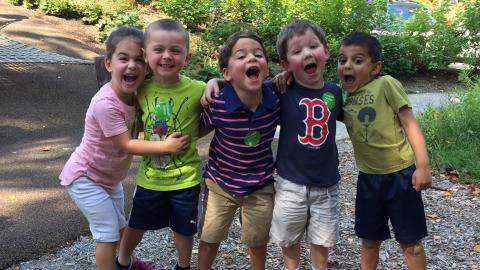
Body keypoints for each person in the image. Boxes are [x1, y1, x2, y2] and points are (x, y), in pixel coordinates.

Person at [59, 26, 191, 270]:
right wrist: (165, 146)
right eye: (123, 58)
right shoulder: (105, 104)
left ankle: (128, 263)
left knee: (121, 227)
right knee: (106, 233)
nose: (132, 65)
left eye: (139, 60)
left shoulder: (138, 94)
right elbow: (126, 144)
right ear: (108, 63)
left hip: (110, 179)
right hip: (85, 177)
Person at [115, 19, 206, 270]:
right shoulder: (139, 89)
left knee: (184, 228)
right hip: (149, 178)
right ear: (146, 54)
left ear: (186, 57)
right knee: (137, 223)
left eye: (175, 50)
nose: (167, 56)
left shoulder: (199, 89)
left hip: (186, 179)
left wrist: (215, 83)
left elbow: (217, 107)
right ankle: (123, 262)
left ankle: (184, 265)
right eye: (159, 50)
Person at [337, 32, 432, 270]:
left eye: (357, 61)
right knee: (369, 241)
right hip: (368, 179)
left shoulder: (386, 84)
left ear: (375, 67)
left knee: (411, 243)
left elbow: (410, 123)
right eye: (342, 60)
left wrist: (422, 166)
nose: (347, 65)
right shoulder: (344, 101)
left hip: (400, 176)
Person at [197, 31, 280, 270]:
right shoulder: (219, 103)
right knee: (209, 237)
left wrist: (286, 76)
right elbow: (196, 130)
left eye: (258, 55)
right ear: (227, 73)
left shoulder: (275, 99)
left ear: (266, 69)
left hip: (260, 186)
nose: (252, 59)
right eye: (241, 56)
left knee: (257, 242)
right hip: (220, 183)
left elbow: (295, 83)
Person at [268, 20, 343, 270]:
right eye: (297, 51)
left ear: (326, 51)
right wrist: (215, 84)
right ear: (286, 64)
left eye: (313, 46)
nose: (307, 53)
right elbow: (245, 88)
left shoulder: (336, 92)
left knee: (322, 239)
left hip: (327, 183)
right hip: (290, 182)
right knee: (288, 236)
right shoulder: (282, 90)